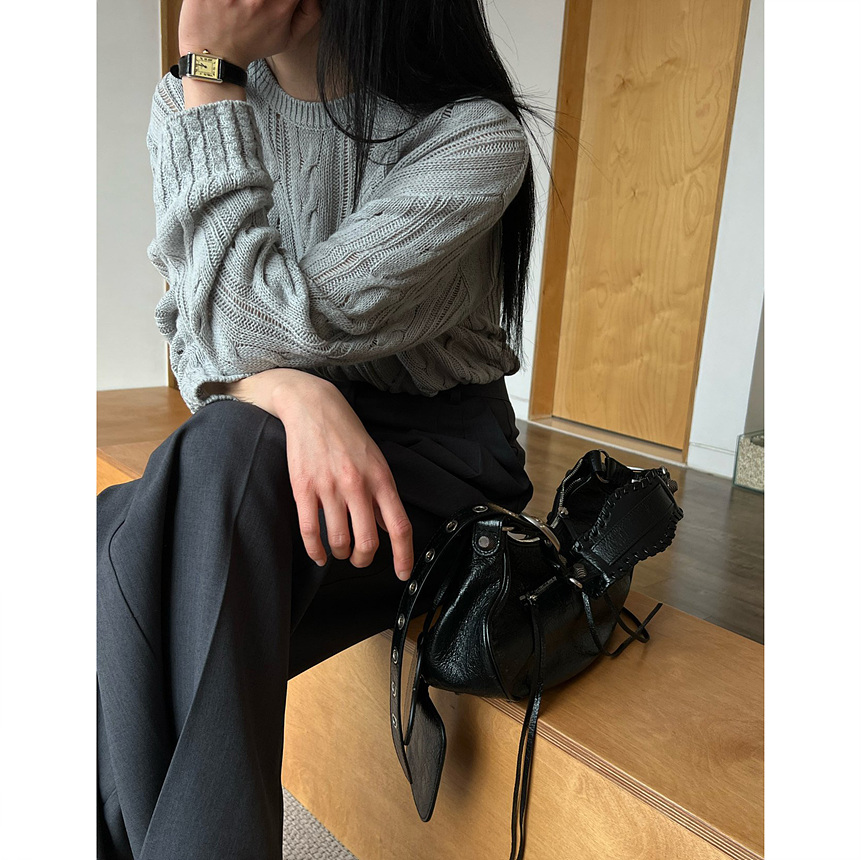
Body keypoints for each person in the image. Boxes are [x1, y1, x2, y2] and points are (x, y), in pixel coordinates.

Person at [96, 1, 559, 857]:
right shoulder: (191, 96)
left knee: (172, 513)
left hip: (431, 465)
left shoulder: (471, 137)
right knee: (131, 530)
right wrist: (294, 395)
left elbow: (250, 325)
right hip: (272, 440)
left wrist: (212, 76)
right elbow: (190, 328)